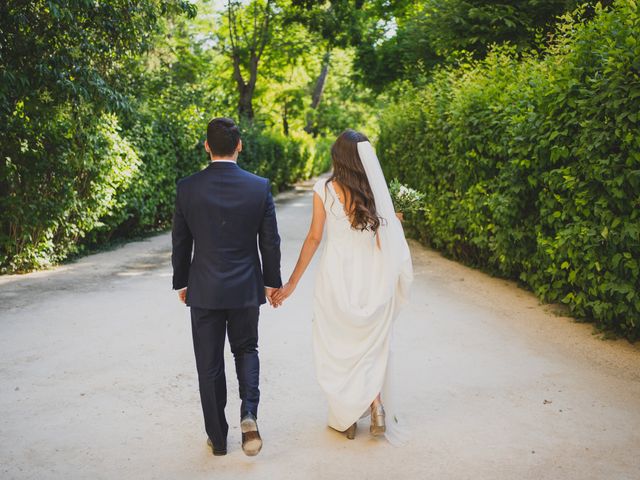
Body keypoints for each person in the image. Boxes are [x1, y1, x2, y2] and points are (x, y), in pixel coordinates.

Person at [272, 129, 413, 443]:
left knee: (337, 346)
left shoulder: (324, 188)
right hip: (370, 278)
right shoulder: (374, 191)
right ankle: (376, 407)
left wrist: (291, 282)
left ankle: (346, 418)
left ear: (337, 157)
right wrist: (393, 224)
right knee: (369, 345)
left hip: (337, 278)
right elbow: (382, 240)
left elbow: (313, 238)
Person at [171, 117, 282, 457]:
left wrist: (182, 282)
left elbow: (180, 242)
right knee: (247, 350)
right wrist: (271, 283)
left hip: (204, 287)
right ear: (240, 146)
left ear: (206, 146)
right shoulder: (259, 186)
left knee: (209, 363)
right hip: (246, 286)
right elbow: (271, 242)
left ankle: (218, 440)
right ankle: (249, 413)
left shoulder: (187, 188)